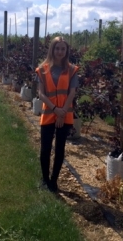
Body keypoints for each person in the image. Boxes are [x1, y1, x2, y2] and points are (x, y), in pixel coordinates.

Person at [35, 36, 79, 193]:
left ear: (66, 51)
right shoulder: (42, 70)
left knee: (60, 148)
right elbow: (40, 93)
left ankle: (54, 181)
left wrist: (61, 114)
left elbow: (72, 93)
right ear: (52, 50)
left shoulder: (72, 70)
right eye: (57, 48)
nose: (60, 52)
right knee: (45, 148)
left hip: (64, 115)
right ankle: (45, 179)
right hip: (48, 113)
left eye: (63, 49)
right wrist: (55, 110)